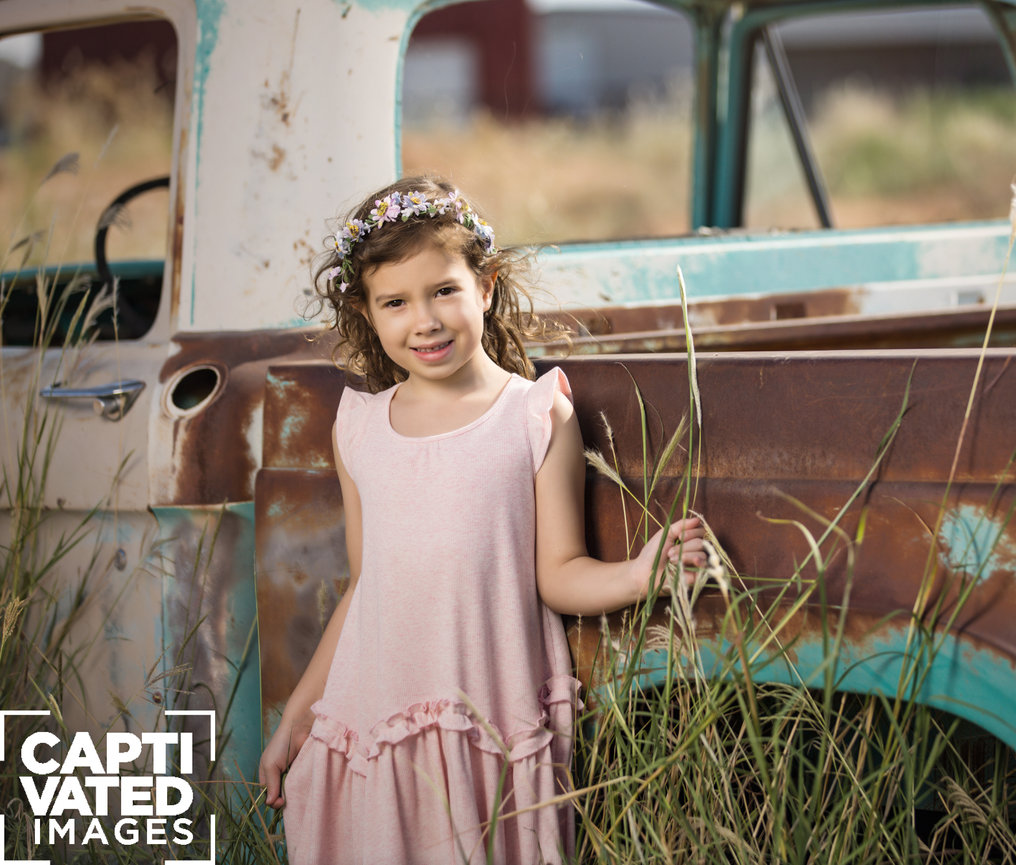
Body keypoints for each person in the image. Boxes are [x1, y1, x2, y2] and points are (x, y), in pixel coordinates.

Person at [257, 176, 708, 864]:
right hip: (376, 718)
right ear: (367, 313)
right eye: (395, 302)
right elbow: (363, 587)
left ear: (486, 285)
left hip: (484, 719)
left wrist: (639, 576)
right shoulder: (358, 428)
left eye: (444, 290)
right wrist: (297, 716)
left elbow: (558, 573)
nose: (425, 320)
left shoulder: (533, 414)